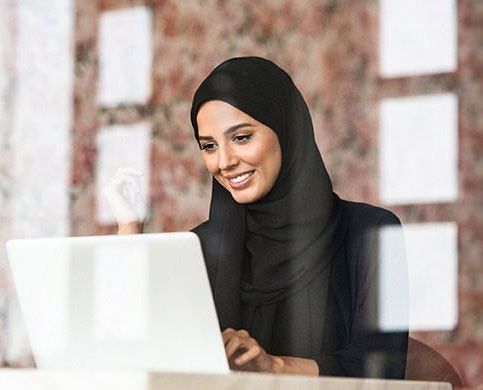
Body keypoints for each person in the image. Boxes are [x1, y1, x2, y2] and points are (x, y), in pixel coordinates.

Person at [102, 56, 409, 378]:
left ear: (287, 131)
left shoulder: (370, 233)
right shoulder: (200, 248)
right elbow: (133, 351)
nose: (224, 161)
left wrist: (274, 366)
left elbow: (383, 367)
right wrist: (129, 228)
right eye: (208, 146)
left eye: (241, 137)